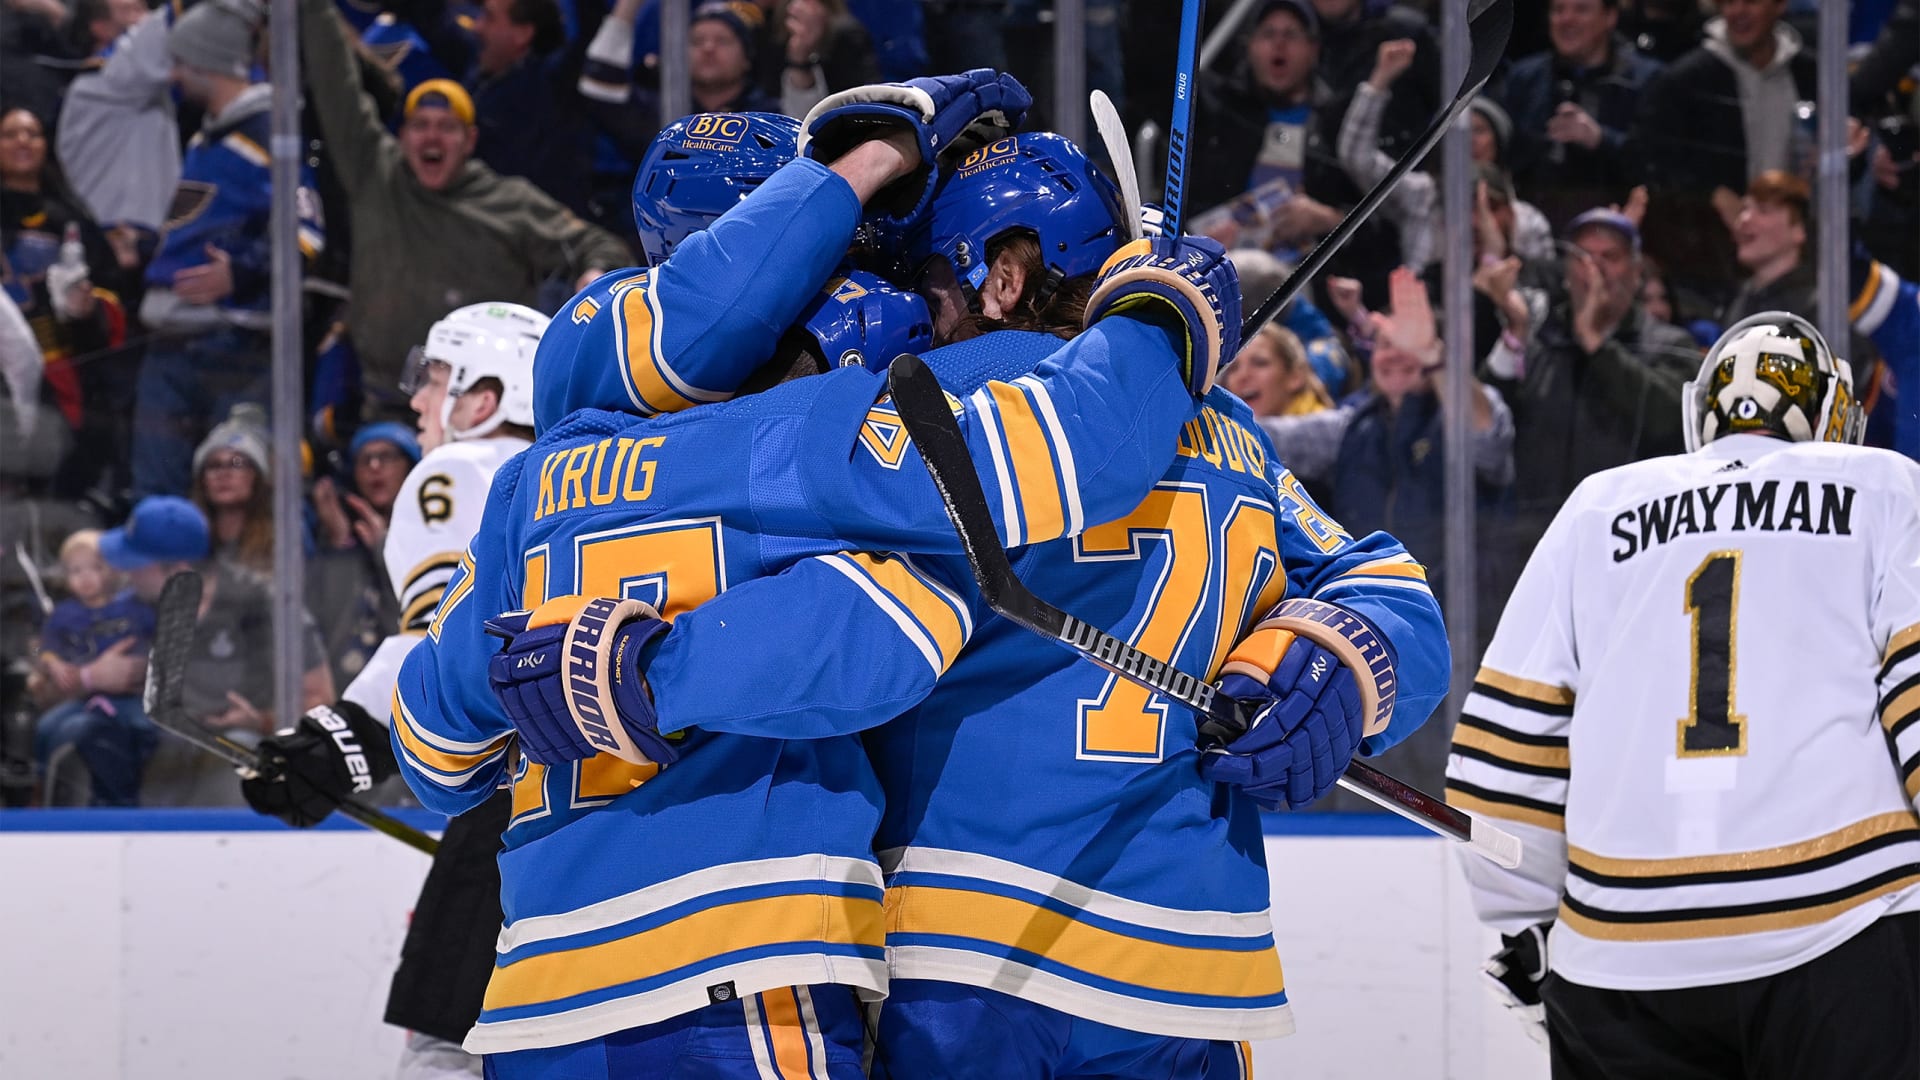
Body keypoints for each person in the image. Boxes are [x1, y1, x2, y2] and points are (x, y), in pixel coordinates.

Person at [393, 78, 1238, 1073]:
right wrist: (1158, 314)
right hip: (744, 967)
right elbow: (918, 611)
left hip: (537, 1001)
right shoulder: (806, 441)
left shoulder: (535, 479)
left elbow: (430, 747)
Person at [1446, 312, 1919, 1079]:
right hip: (1842, 924)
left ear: (1705, 409)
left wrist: (1524, 923)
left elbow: (1507, 747)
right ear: (1833, 411)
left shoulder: (1597, 507)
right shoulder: (1884, 485)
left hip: (1620, 955)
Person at [243, 301, 546, 1079]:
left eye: (437, 378)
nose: (417, 399)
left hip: (514, 803)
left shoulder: (461, 472)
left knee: (448, 1048)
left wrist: (340, 741)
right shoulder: (584, 478)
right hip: (612, 798)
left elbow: (451, 650)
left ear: (485, 399)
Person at [299, 0, 631, 422]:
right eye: (420, 125)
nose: (431, 138)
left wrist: (594, 272)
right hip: (383, 406)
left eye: (446, 127)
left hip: (480, 411)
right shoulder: (376, 175)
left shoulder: (508, 202)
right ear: (402, 136)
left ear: (470, 140)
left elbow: (598, 244)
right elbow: (337, 84)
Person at [132, 0, 328, 499]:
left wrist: (242, 272)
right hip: (174, 338)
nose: (174, 74)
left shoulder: (269, 134)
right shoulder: (207, 134)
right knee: (159, 492)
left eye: (181, 62)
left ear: (208, 62)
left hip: (233, 348)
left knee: (243, 493)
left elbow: (307, 232)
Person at [1483, 207, 1700, 560]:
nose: (1595, 269)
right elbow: (1485, 429)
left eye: (1610, 257)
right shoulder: (1544, 344)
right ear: (1567, 274)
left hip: (1635, 548)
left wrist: (1596, 343)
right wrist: (1515, 333)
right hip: (1539, 548)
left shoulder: (1669, 345)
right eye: (1582, 257)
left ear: (1636, 273)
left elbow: (1670, 422)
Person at [104, 496, 336, 806]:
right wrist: (89, 677)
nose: (128, 573)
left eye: (137, 564)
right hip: (160, 751)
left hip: (241, 758)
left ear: (177, 569)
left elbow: (321, 701)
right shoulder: (131, 607)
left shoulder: (265, 606)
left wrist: (262, 721)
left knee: (237, 751)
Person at [1188, 0, 1397, 299]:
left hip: (1315, 286)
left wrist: (1328, 220)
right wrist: (1199, 241)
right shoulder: (1218, 114)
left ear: (1314, 49)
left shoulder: (1339, 122)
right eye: (1268, 33)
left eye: (1291, 34)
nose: (1279, 44)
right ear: (1250, 47)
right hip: (1223, 280)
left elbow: (1383, 232)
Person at [1497, 0, 1664, 230]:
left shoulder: (1647, 79)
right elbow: (1503, 155)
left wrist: (1600, 138)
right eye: (1558, 10)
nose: (1567, 20)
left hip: (1621, 223)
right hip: (1535, 224)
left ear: (1610, 17)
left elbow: (1659, 163)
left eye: (1581, 9)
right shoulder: (1524, 78)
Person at [30, 528, 156, 806]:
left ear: (113, 570)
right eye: (76, 570)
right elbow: (44, 647)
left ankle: (140, 794)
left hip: (131, 697)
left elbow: (156, 644)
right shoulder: (63, 615)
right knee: (48, 726)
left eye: (95, 568)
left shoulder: (135, 607)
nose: (85, 577)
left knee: (144, 727)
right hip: (83, 699)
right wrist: (53, 663)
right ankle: (40, 789)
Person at [187, 406, 278, 577]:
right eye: (214, 465)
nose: (224, 473)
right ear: (202, 481)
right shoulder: (186, 543)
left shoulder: (282, 541)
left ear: (257, 476)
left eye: (237, 463)